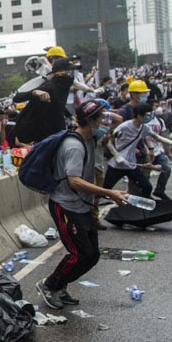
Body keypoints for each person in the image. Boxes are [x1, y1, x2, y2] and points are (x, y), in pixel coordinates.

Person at [37, 100, 129, 309]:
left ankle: (60, 285)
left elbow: (119, 120)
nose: (106, 121)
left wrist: (101, 109)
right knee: (80, 253)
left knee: (92, 255)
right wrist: (108, 193)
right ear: (90, 121)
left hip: (83, 206)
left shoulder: (92, 136)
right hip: (66, 205)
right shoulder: (74, 146)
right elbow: (74, 182)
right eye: (101, 117)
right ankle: (49, 285)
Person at [12, 57, 77, 144]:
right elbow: (16, 98)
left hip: (58, 134)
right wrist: (34, 92)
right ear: (58, 74)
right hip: (45, 138)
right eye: (69, 72)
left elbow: (57, 103)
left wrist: (71, 116)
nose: (71, 75)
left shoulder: (63, 88)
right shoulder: (50, 87)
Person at [101, 104, 154, 197]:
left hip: (131, 164)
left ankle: (143, 207)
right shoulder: (124, 126)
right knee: (105, 190)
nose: (148, 118)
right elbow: (108, 141)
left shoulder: (144, 127)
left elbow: (154, 137)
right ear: (139, 115)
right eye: (146, 115)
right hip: (116, 165)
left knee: (147, 187)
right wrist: (117, 155)